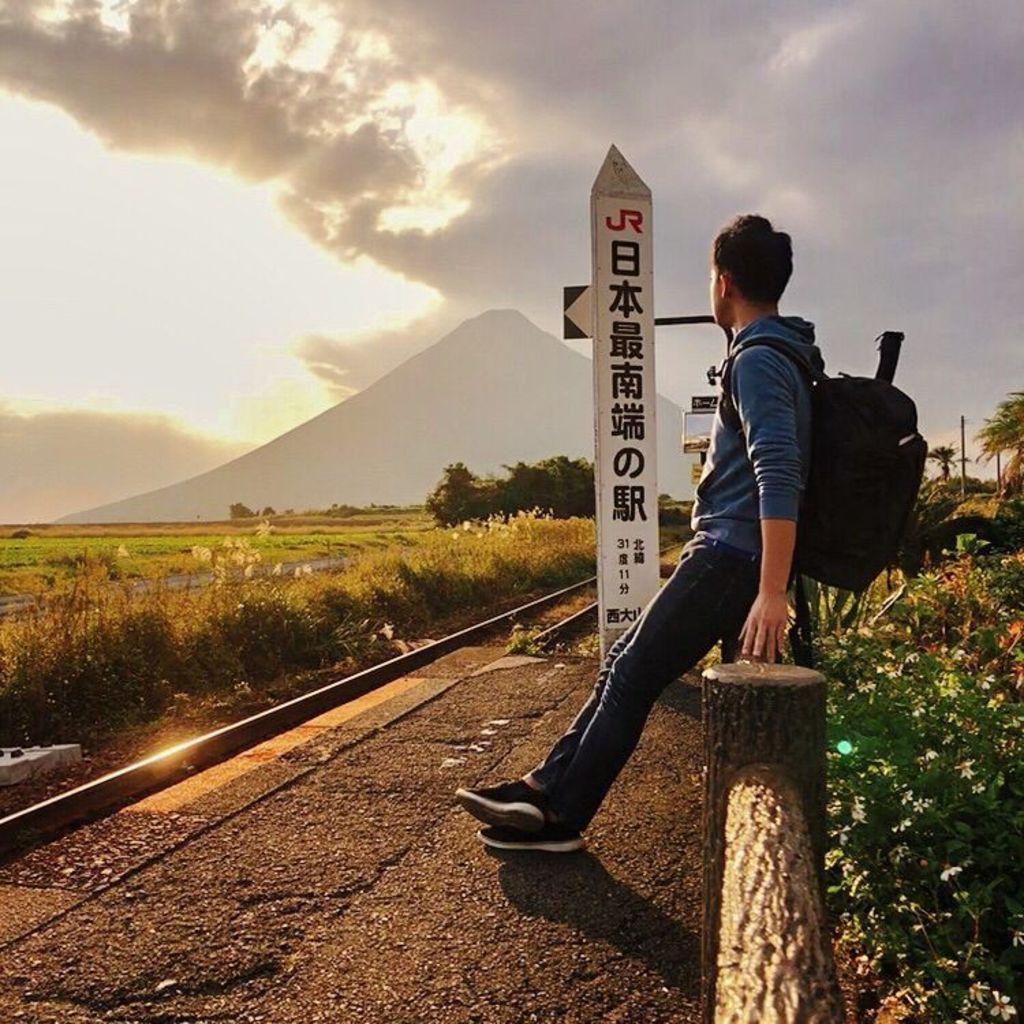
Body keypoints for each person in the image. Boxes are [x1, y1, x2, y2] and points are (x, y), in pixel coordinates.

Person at [456, 214, 825, 853]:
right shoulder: (781, 354)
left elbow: (780, 471)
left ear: (724, 282)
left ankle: (561, 815)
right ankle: (544, 792)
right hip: (735, 554)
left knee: (630, 672)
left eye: (712, 277)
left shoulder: (759, 360)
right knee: (624, 662)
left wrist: (770, 590)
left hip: (731, 555)